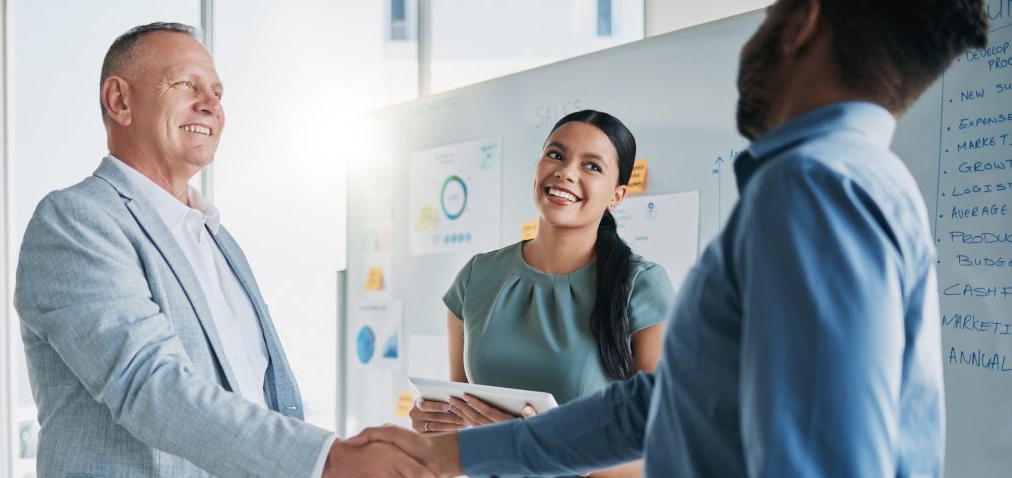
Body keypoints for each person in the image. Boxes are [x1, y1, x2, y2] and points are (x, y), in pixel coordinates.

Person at [350, 0, 990, 476]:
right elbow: (659, 406)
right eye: (556, 154)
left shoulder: (812, 188)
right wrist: (451, 454)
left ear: (802, 23)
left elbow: (826, 459)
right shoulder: (862, 181)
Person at [14, 23, 429, 478]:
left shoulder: (215, 237)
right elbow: (150, 386)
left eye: (216, 92)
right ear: (120, 101)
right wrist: (325, 459)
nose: (210, 104)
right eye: (185, 84)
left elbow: (260, 398)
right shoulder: (76, 221)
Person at [409, 110, 674, 477]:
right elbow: (460, 414)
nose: (566, 172)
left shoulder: (641, 285)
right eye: (556, 154)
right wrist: (431, 422)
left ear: (616, 196)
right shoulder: (476, 276)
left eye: (592, 166)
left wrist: (541, 445)